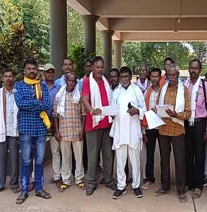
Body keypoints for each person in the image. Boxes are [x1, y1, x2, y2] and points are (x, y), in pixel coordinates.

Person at [14, 59, 51, 204]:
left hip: (40, 128)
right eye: (29, 69)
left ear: (37, 70)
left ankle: (39, 188)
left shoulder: (42, 86)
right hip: (26, 128)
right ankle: (24, 190)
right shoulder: (18, 85)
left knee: (40, 160)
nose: (32, 71)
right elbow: (20, 103)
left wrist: (33, 104)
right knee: (26, 160)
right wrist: (37, 103)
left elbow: (47, 104)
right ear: (24, 70)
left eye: (34, 69)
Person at [155, 64, 191, 203]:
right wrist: (156, 110)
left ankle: (181, 190)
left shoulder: (184, 90)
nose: (171, 78)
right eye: (169, 75)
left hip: (178, 129)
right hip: (163, 128)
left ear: (178, 74)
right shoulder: (163, 89)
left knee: (179, 161)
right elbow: (158, 105)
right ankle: (165, 186)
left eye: (174, 75)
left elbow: (188, 113)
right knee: (164, 159)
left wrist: (176, 114)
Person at [109, 66, 146, 199]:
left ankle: (136, 185)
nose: (124, 79)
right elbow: (111, 109)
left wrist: (137, 111)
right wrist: (111, 115)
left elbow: (144, 109)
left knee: (135, 160)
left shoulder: (137, 91)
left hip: (133, 130)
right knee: (120, 160)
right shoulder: (116, 92)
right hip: (119, 130)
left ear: (131, 77)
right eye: (122, 77)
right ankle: (121, 186)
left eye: (126, 77)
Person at [82, 56, 116, 196]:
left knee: (108, 155)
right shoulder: (87, 81)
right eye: (97, 67)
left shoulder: (106, 82)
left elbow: (111, 100)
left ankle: (108, 180)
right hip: (93, 124)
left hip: (107, 124)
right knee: (92, 156)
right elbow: (84, 99)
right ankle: (91, 182)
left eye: (102, 67)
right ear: (93, 68)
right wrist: (91, 110)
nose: (100, 69)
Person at [183, 59, 207, 198]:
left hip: (200, 123)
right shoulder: (184, 85)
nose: (193, 70)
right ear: (188, 69)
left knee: (200, 155)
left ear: (200, 70)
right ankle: (189, 182)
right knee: (188, 153)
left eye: (196, 68)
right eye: (191, 68)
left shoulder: (205, 86)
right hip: (187, 124)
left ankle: (198, 185)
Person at [53, 72, 85, 192]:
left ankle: (79, 179)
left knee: (79, 157)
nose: (71, 83)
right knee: (65, 157)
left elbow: (83, 114)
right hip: (63, 131)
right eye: (69, 80)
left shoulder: (79, 95)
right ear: (66, 81)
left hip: (77, 131)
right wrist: (57, 131)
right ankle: (66, 180)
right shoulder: (59, 95)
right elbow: (55, 115)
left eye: (73, 81)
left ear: (76, 83)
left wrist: (82, 130)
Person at [0, 68, 20, 195]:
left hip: (14, 130)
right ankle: (0, 184)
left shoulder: (17, 92)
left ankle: (14, 183)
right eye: (6, 76)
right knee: (1, 158)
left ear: (14, 78)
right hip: (2, 129)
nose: (8, 79)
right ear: (2, 78)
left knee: (14, 158)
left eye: (10, 76)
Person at [141, 67, 162, 190]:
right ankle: (149, 178)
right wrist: (143, 131)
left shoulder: (164, 91)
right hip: (150, 127)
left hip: (162, 127)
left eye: (156, 76)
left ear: (160, 77)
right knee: (149, 154)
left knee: (164, 155)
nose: (154, 79)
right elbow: (144, 111)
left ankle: (165, 179)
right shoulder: (146, 93)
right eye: (152, 76)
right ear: (150, 77)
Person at [41, 63, 61, 189]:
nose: (50, 74)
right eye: (48, 72)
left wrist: (55, 122)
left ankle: (57, 176)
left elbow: (59, 106)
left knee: (56, 151)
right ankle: (35, 178)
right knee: (38, 152)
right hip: (40, 123)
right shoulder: (38, 87)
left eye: (52, 72)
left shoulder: (58, 88)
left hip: (54, 123)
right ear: (44, 73)